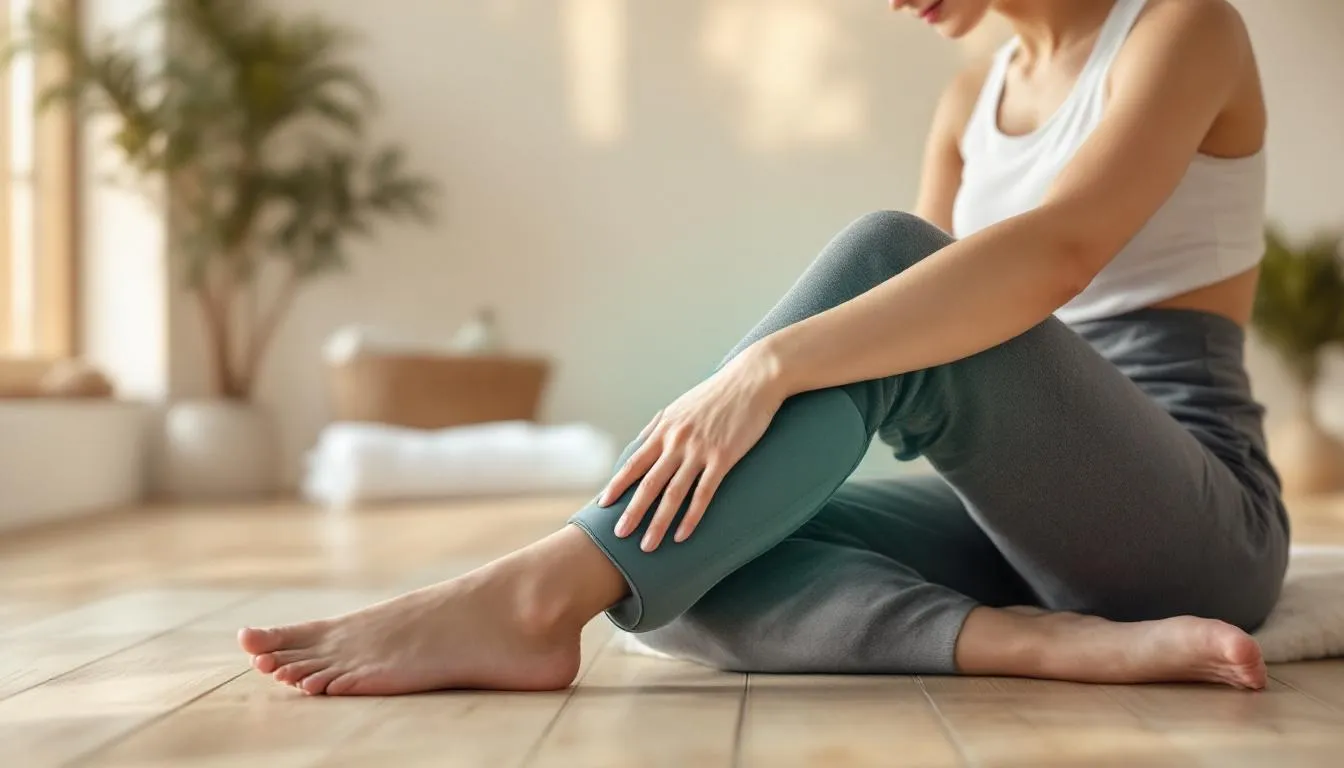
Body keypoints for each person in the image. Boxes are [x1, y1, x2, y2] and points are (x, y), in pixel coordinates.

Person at [238, 0, 1288, 696]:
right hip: (1023, 525)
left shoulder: (1182, 27)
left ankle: (534, 590)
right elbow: (911, 339)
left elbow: (1053, 255)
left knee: (888, 253)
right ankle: (1038, 643)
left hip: (1194, 521)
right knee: (682, 565)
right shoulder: (972, 97)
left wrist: (766, 366)